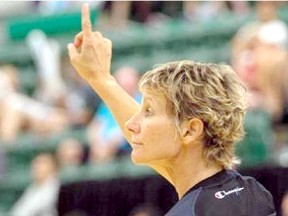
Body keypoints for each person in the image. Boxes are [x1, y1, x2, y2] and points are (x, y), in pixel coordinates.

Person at [67, 4, 276, 215]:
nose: (131, 123)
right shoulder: (253, 192)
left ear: (190, 130)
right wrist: (101, 79)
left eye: (148, 111)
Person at [87, 66, 141, 163]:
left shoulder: (141, 102)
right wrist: (97, 143)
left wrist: (110, 145)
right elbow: (96, 125)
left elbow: (131, 130)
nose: (126, 89)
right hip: (103, 147)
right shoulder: (109, 103)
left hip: (126, 148)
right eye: (123, 85)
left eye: (129, 85)